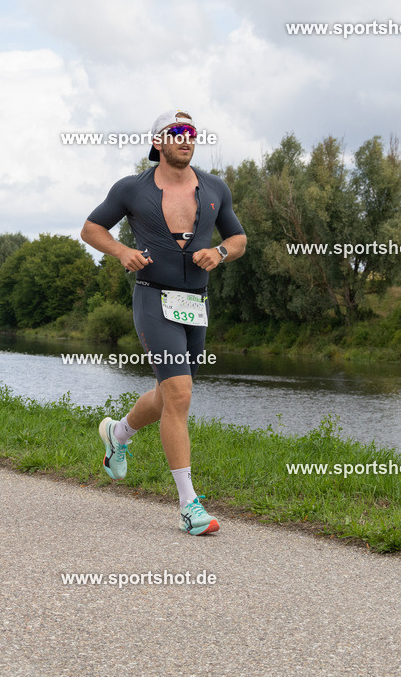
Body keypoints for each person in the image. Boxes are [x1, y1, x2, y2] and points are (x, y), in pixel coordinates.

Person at [80, 109, 247, 535]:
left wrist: (221, 254)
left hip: (195, 304)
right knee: (180, 395)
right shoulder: (132, 189)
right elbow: (91, 228)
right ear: (158, 142)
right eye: (175, 133)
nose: (185, 140)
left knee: (166, 394)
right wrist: (121, 252)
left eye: (190, 133)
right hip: (153, 298)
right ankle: (189, 505)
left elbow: (238, 238)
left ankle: (118, 434)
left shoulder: (214, 188)